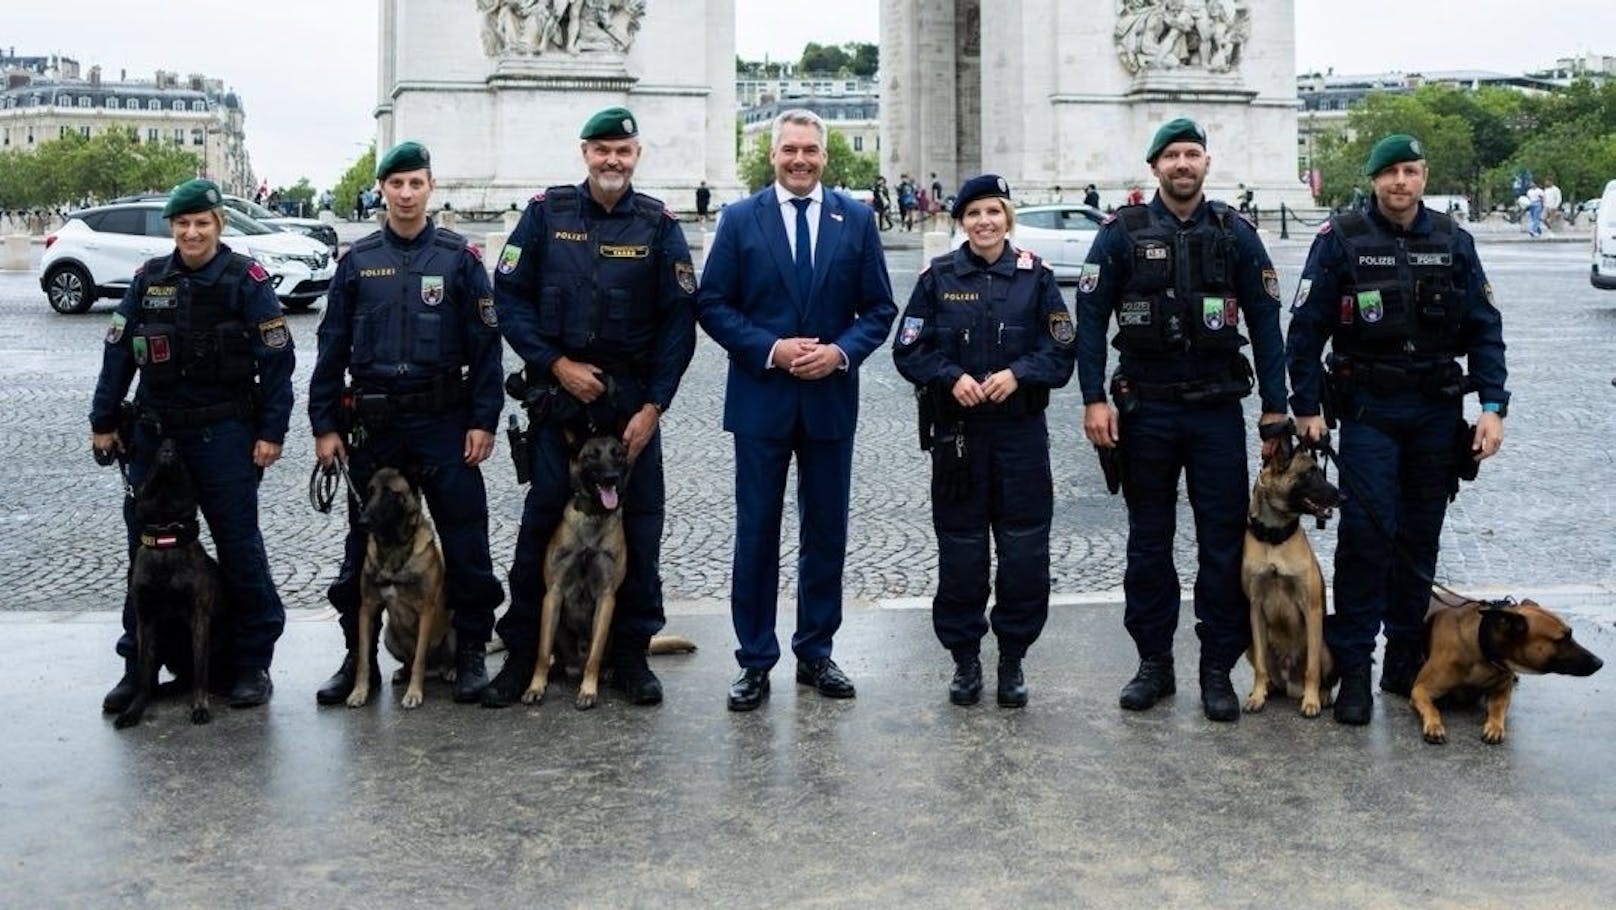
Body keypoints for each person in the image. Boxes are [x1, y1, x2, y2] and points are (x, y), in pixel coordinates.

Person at [1286, 133, 1508, 725]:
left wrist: (1493, 406)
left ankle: (1405, 663)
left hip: (1436, 412)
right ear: (1374, 180)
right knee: (1365, 535)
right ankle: (1355, 665)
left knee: (1419, 536)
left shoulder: (1452, 239)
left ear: (1424, 175)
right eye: (1390, 174)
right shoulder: (1341, 241)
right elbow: (1306, 330)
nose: (1401, 183)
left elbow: (1485, 327)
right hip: (1369, 412)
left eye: (1410, 171)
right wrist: (1305, 407)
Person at [1075, 117, 1289, 723]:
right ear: (1155, 168)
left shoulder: (1235, 233)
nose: (1182, 164)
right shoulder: (1121, 232)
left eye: (1191, 153)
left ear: (1206, 163)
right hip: (1145, 409)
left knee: (1221, 547)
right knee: (1149, 543)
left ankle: (1216, 668)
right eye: (1171, 155)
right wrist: (1094, 399)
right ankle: (1153, 664)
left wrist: (1276, 408)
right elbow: (1089, 315)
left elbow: (1268, 322)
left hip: (1217, 411)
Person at [483, 106, 698, 708]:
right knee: (541, 522)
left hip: (630, 402)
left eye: (623, 151)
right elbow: (510, 297)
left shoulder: (659, 225)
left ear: (637, 155)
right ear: (584, 153)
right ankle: (524, 651)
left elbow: (680, 322)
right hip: (561, 397)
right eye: (602, 149)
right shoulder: (545, 215)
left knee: (642, 525)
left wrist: (655, 405)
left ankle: (629, 654)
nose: (612, 160)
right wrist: (555, 365)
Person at [697, 108, 897, 712]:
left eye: (810, 150)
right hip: (762, 399)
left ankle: (816, 651)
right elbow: (712, 303)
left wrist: (840, 353)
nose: (800, 160)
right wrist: (772, 349)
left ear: (824, 157)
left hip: (830, 400)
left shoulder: (856, 219)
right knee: (756, 534)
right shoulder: (738, 219)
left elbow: (880, 310)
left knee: (826, 534)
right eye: (790, 150)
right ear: (772, 155)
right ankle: (754, 659)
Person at [307, 141, 506, 706]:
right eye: (396, 185)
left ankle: (469, 652)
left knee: (466, 540)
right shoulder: (356, 262)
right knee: (361, 545)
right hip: (374, 423)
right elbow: (331, 348)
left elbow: (486, 347)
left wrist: (483, 420)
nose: (406, 194)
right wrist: (326, 425)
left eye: (416, 183)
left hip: (443, 417)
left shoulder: (459, 260)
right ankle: (357, 657)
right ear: (382, 190)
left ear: (430, 186)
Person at [91, 177, 294, 712]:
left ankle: (251, 663)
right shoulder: (149, 278)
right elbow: (118, 353)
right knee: (145, 555)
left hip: (222, 436)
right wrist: (103, 419)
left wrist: (272, 432)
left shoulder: (245, 280)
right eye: (182, 224)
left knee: (239, 548)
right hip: (156, 435)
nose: (192, 232)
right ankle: (139, 664)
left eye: (202, 223)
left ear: (218, 224)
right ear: (172, 228)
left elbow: (277, 359)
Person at [892, 174, 1076, 708]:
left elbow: (1061, 350)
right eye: (973, 214)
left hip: (1019, 434)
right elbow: (909, 350)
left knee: (1023, 550)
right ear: (960, 222)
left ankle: (1013, 657)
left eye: (994, 212)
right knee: (962, 550)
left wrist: (1019, 373)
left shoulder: (1034, 278)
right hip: (959, 438)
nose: (985, 222)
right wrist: (950, 376)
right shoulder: (938, 277)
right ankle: (966, 660)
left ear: (1008, 218)